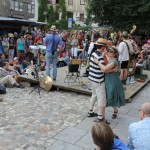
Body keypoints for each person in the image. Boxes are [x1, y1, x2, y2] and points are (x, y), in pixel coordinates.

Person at [93, 46, 125, 119]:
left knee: (111, 94)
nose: (108, 52)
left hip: (112, 80)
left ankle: (114, 110)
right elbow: (105, 68)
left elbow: (104, 69)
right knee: (108, 95)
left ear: (114, 54)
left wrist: (97, 62)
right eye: (108, 51)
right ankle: (114, 110)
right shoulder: (109, 58)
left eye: (111, 52)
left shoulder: (113, 61)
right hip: (107, 79)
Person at [87, 38, 109, 123]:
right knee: (102, 98)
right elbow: (104, 69)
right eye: (105, 46)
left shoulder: (94, 53)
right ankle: (100, 117)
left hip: (92, 78)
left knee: (94, 95)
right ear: (103, 47)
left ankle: (90, 111)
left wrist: (104, 55)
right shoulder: (99, 56)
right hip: (98, 80)